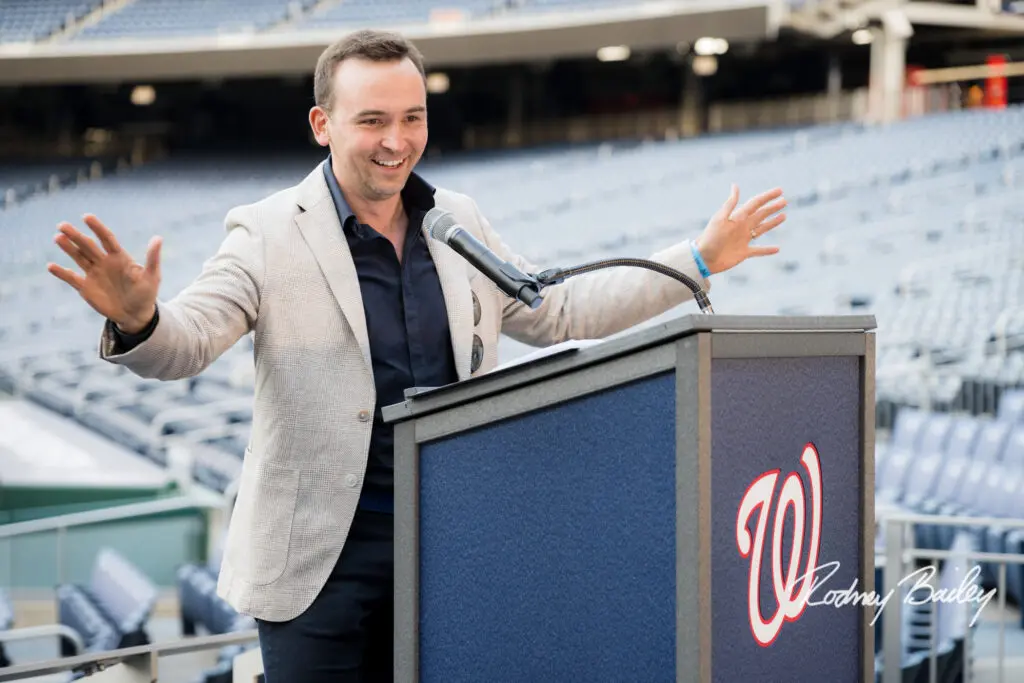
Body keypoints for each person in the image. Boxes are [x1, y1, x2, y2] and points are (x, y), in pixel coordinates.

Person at [46, 29, 787, 683]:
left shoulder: (456, 220)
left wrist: (695, 259)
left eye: (412, 118)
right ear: (322, 123)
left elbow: (559, 311)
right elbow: (191, 338)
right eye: (371, 120)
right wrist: (141, 317)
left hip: (447, 551)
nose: (396, 140)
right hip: (316, 569)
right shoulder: (267, 231)